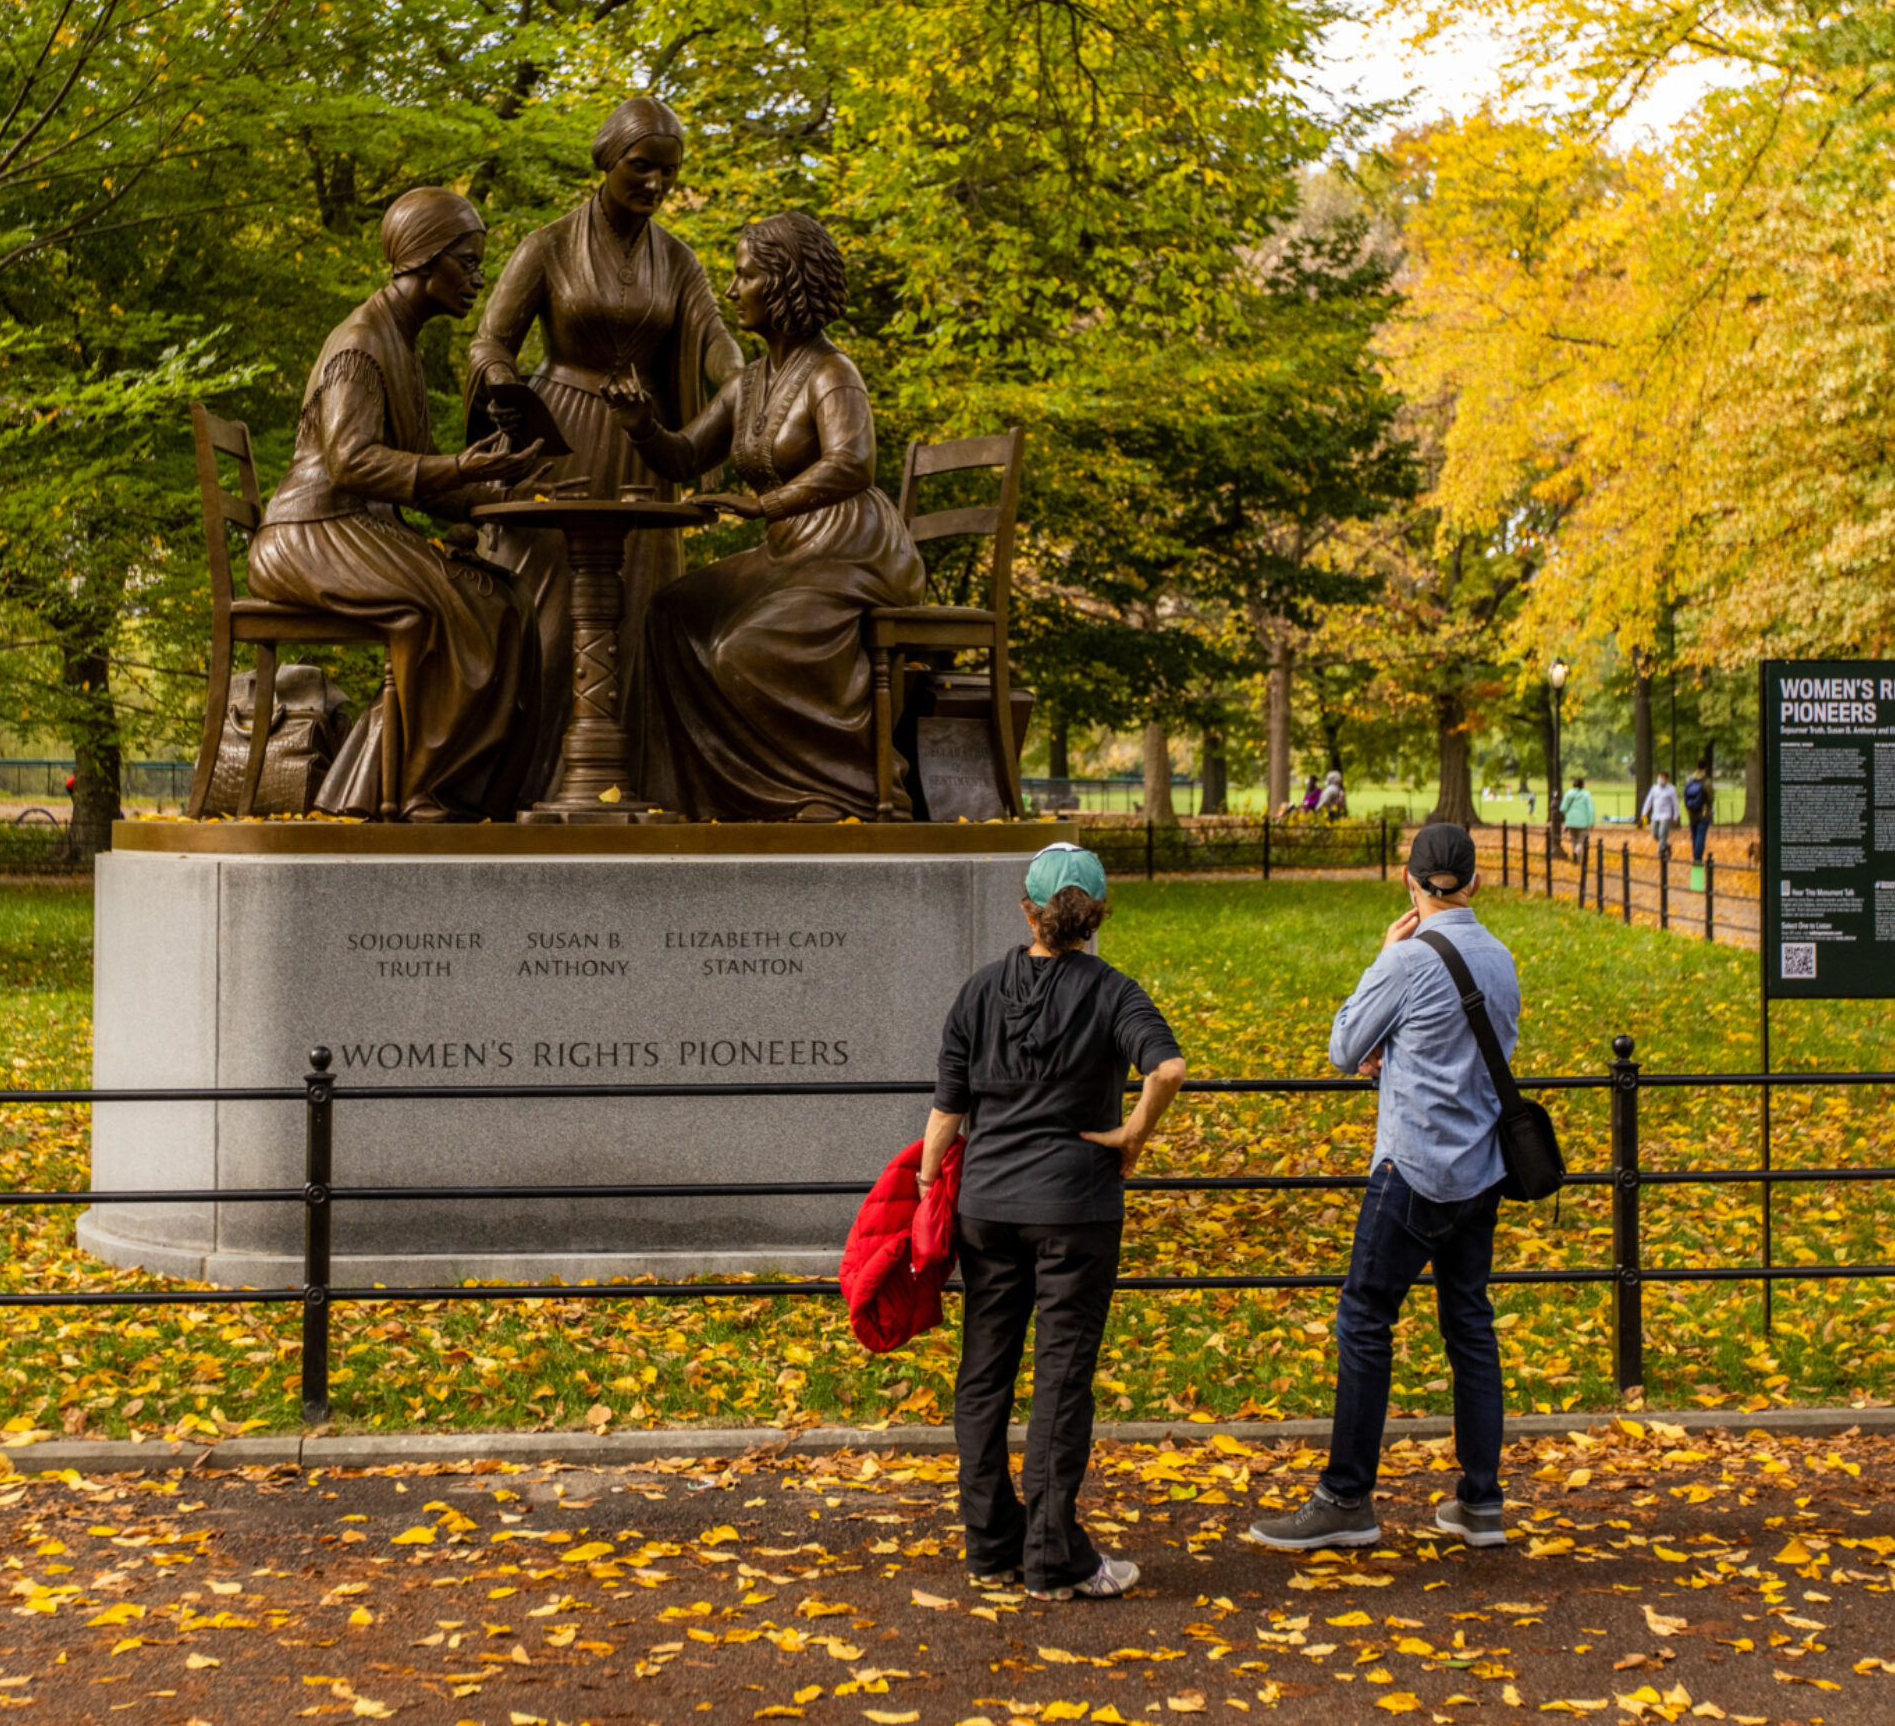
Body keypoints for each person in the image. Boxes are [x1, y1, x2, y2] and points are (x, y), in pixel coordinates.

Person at [917, 843, 1185, 1600]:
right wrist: (1132, 1135)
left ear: (1026, 908)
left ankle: (989, 1547)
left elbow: (947, 1111)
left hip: (987, 1208)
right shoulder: (1113, 992)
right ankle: (1051, 1560)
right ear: (1096, 914)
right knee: (1060, 1380)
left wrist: (927, 1181)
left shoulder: (977, 991)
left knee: (983, 1376)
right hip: (1075, 1209)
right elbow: (1166, 1069)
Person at [1251, 822, 1519, 1554]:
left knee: (1365, 1320)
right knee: (1469, 1326)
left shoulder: (1404, 961)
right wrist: (1394, 1051)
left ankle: (1345, 1498)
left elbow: (1342, 1046)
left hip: (1412, 1170)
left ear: (1408, 881)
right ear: (1474, 882)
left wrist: (1380, 961)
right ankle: (1480, 1501)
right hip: (1480, 1171)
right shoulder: (1499, 958)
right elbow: (1469, 1050)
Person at [603, 211, 925, 819]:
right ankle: (700, 795)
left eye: (745, 276)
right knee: (669, 614)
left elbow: (854, 463)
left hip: (851, 548)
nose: (732, 291)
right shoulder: (750, 383)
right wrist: (642, 424)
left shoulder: (834, 373)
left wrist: (763, 504)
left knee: (742, 650)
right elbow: (688, 454)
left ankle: (835, 790)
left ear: (783, 285)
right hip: (787, 550)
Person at [468, 96, 745, 800]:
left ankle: (625, 780)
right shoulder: (549, 244)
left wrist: (748, 382)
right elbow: (491, 339)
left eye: (669, 173)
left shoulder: (678, 261)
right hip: (555, 437)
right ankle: (523, 782)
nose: (654, 183)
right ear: (606, 160)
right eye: (641, 166)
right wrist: (500, 380)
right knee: (544, 609)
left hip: (639, 447)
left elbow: (713, 338)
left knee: (636, 605)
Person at [249, 186, 545, 822]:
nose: (477, 278)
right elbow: (350, 461)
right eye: (465, 263)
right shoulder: (361, 343)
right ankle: (412, 787)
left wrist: (501, 488)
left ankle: (467, 789)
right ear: (420, 260)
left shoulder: (402, 344)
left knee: (509, 598)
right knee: (438, 607)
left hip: (358, 526)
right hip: (310, 532)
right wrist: (462, 468)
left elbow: (426, 475)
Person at [1644, 770, 1680, 860]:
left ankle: (1660, 852)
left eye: (1662, 778)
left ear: (1666, 779)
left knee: (1662, 833)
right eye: (1659, 778)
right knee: (1655, 834)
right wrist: (1644, 812)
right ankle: (1666, 845)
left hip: (1666, 815)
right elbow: (1649, 800)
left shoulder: (1671, 789)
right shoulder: (1654, 788)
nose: (1660, 780)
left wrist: (1675, 815)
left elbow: (1675, 803)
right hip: (1656, 815)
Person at [1559, 775, 1595, 861]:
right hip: (1583, 822)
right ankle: (1577, 852)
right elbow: (1591, 809)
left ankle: (1576, 857)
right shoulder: (1586, 794)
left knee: (1574, 840)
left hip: (1571, 821)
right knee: (1581, 840)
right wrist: (1591, 822)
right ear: (1582, 785)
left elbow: (1563, 808)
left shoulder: (1568, 793)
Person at [1684, 760, 1714, 863]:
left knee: (1694, 835)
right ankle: (1698, 858)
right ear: (1706, 768)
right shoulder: (1706, 781)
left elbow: (1685, 795)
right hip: (1703, 812)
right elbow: (1710, 797)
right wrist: (1709, 808)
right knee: (1701, 835)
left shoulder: (1690, 779)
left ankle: (1695, 856)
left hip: (1692, 812)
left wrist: (1688, 808)